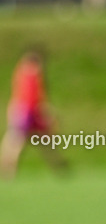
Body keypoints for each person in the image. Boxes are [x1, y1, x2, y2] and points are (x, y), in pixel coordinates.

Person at [1, 49, 67, 178]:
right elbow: (31, 97)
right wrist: (45, 111)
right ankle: (7, 170)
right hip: (27, 111)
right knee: (17, 142)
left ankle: (58, 166)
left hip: (26, 111)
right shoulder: (30, 74)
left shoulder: (22, 73)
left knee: (42, 141)